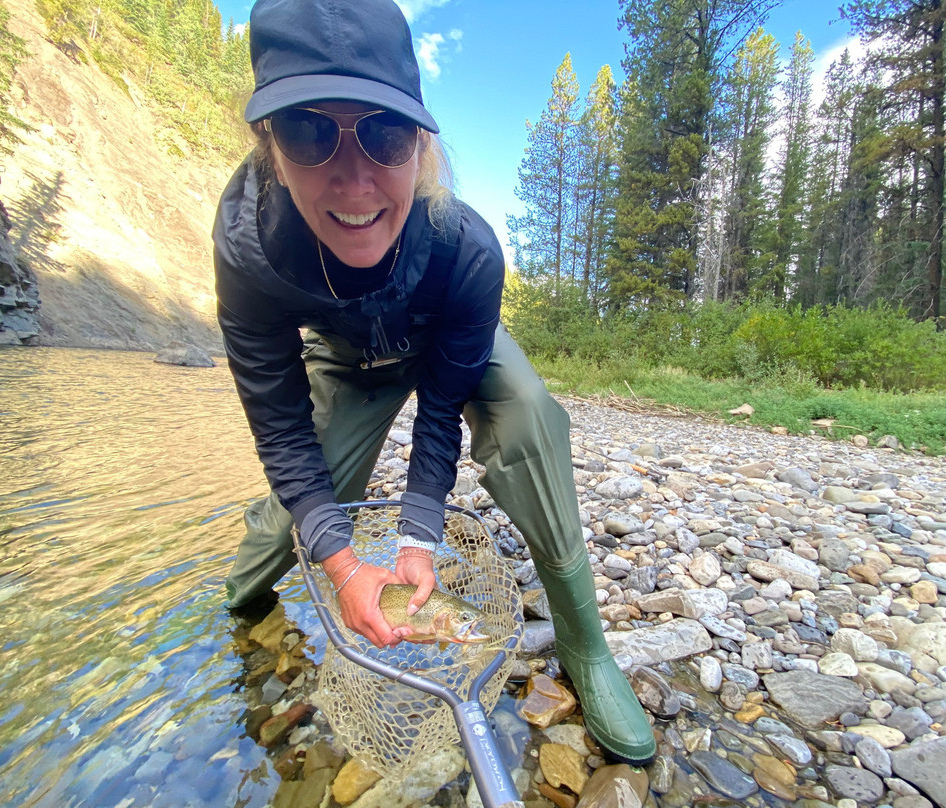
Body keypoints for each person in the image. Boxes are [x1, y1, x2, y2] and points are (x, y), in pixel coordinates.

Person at [213, 0, 656, 767]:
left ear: (421, 142)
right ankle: (242, 614)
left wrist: (419, 530)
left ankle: (586, 644)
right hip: (348, 360)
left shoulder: (467, 247)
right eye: (308, 130)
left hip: (451, 342)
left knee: (529, 418)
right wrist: (343, 563)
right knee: (288, 526)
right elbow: (279, 421)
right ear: (267, 144)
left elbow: (441, 405)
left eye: (384, 133)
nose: (352, 179)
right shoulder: (248, 245)